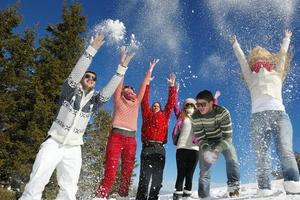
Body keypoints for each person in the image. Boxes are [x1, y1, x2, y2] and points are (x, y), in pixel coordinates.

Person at [19, 34, 135, 200]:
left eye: (93, 79)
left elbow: (108, 91)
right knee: (36, 182)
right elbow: (75, 74)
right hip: (54, 142)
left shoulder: (94, 102)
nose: (90, 79)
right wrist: (91, 50)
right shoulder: (69, 91)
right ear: (82, 79)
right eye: (87, 76)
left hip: (74, 148)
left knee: (69, 190)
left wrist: (121, 69)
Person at [230, 30, 300, 195]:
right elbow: (241, 61)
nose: (259, 65)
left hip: (280, 115)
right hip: (258, 117)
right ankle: (264, 188)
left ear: (269, 62)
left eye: (263, 62)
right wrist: (235, 45)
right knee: (262, 156)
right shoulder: (250, 76)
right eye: (256, 63)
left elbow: (282, 55)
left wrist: (286, 39)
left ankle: (293, 183)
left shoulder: (277, 73)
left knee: (285, 150)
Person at [94, 59, 160, 200]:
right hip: (116, 137)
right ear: (123, 92)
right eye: (127, 89)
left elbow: (143, 85)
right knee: (110, 172)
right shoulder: (118, 99)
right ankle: (100, 196)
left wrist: (151, 69)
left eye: (132, 89)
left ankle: (122, 197)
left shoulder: (136, 102)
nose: (130, 90)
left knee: (127, 172)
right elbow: (119, 83)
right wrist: (123, 65)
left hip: (131, 140)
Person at [172, 90, 221, 200]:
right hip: (181, 147)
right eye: (187, 104)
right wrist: (175, 91)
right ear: (184, 106)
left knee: (189, 174)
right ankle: (177, 196)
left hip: (194, 149)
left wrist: (215, 99)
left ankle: (186, 196)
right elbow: (174, 105)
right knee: (181, 174)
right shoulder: (181, 115)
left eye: (191, 104)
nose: (189, 105)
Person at [135, 71, 176, 200]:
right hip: (147, 147)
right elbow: (144, 101)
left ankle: (153, 198)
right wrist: (147, 84)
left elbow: (171, 103)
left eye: (157, 105)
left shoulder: (165, 116)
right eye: (154, 105)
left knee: (157, 179)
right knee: (144, 177)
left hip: (159, 148)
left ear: (161, 108)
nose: (155, 106)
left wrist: (172, 87)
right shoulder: (147, 114)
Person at [191, 90, 240, 198]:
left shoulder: (223, 112)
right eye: (198, 105)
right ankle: (204, 196)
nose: (200, 107)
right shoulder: (195, 116)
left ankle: (233, 189)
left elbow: (228, 138)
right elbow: (202, 138)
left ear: (211, 103)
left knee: (232, 158)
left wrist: (217, 150)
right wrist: (207, 151)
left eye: (203, 104)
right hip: (207, 141)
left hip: (222, 140)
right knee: (204, 169)